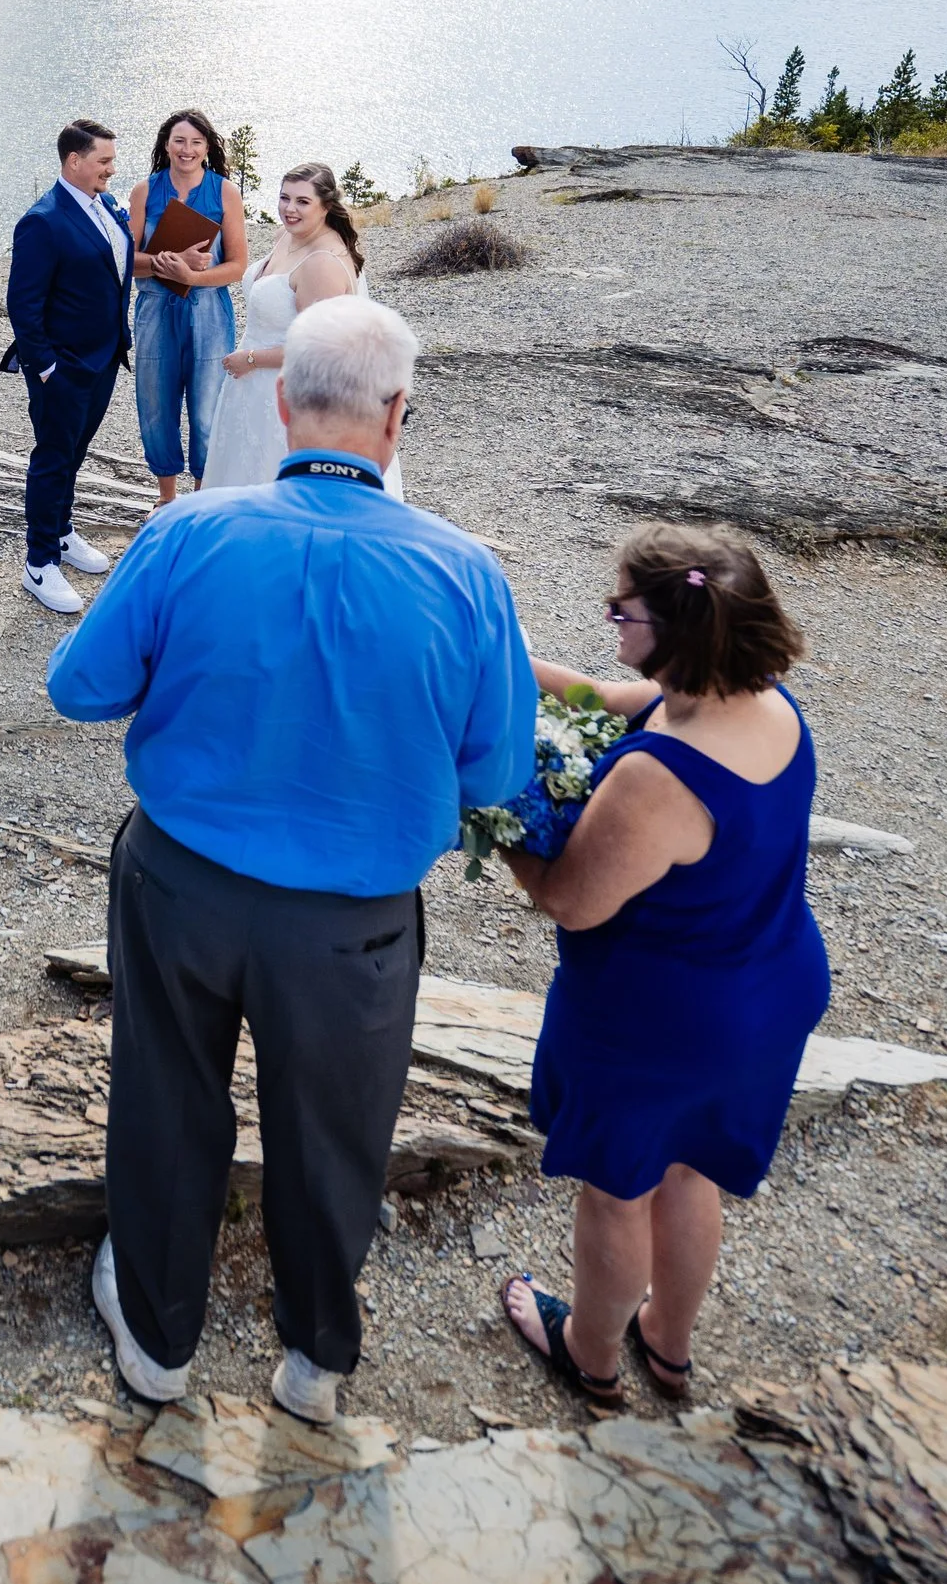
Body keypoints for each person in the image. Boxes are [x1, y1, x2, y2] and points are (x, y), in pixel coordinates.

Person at [48, 295, 535, 1423]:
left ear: (280, 401)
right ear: (397, 415)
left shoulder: (187, 534)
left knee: (166, 1099)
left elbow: (79, 689)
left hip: (180, 883)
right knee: (334, 1130)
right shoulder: (466, 576)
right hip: (353, 922)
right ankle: (314, 1360)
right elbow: (495, 775)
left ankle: (159, 1343)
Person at [498, 526, 830, 1409]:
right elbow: (612, 698)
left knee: (618, 1191)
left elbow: (571, 899)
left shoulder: (657, 780)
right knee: (690, 1172)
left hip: (660, 1019)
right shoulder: (760, 701)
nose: (610, 621)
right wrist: (503, 663)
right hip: (768, 989)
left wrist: (497, 808)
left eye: (621, 611)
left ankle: (591, 1354)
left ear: (674, 629)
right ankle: (669, 1349)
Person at [1, 116, 135, 617]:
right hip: (64, 367)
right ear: (73, 161)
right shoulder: (43, 220)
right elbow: (23, 304)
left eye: (112, 160)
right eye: (103, 161)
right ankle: (39, 563)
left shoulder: (104, 207)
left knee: (76, 453)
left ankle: (61, 532)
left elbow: (114, 266)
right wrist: (46, 369)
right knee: (54, 457)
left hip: (104, 358)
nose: (111, 170)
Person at [205, 162, 366, 491]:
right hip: (250, 389)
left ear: (326, 205)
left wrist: (250, 359)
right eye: (284, 198)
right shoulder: (286, 236)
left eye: (302, 202)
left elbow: (317, 349)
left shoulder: (322, 263)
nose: (289, 209)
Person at [127, 109, 249, 502]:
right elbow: (126, 261)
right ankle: (166, 498)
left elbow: (237, 266)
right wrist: (166, 259)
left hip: (209, 311)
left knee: (206, 407)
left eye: (196, 142)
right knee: (155, 403)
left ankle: (199, 499)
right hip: (155, 309)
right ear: (166, 144)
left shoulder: (225, 191)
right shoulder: (144, 191)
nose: (187, 149)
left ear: (208, 148)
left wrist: (192, 277)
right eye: (179, 140)